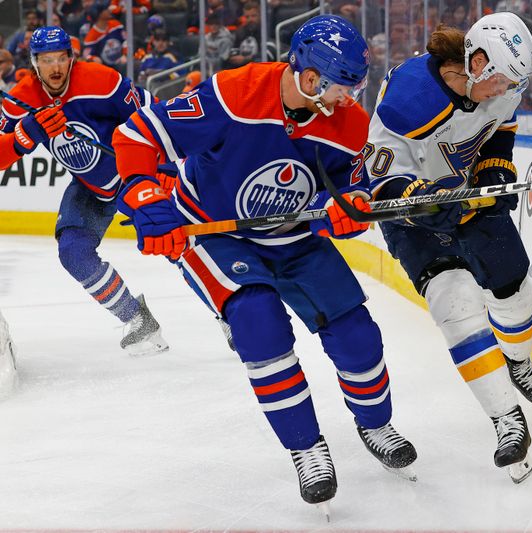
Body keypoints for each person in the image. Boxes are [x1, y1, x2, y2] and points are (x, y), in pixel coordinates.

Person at [110, 15, 417, 514]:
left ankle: (375, 423)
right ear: (312, 78)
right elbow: (137, 135)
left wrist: (352, 205)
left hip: (293, 236)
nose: (350, 98)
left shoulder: (349, 123)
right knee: (258, 322)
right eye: (344, 87)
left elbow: (354, 183)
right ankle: (306, 448)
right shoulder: (234, 94)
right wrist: (147, 200)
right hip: (219, 234)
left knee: (356, 333)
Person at [364, 13, 532, 484]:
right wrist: (420, 206)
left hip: (471, 199)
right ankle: (506, 420)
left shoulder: (501, 82)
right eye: (503, 81)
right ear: (477, 62)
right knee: (455, 304)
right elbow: (379, 184)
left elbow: (502, 125)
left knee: (515, 294)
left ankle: (519, 361)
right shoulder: (409, 100)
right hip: (415, 219)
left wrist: (495, 167)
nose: (507, 90)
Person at [0, 26, 168, 356]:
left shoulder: (102, 81)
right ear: (34, 63)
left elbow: (158, 116)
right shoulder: (22, 99)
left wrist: (167, 168)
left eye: (62, 58)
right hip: (90, 188)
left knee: (179, 241)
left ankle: (230, 313)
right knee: (73, 252)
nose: (56, 68)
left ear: (72, 58)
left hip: (135, 176)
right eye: (46, 60)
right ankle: (137, 320)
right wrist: (25, 134)